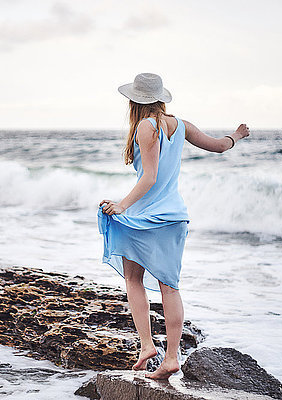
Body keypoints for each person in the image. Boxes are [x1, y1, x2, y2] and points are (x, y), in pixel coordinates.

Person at [97, 72, 250, 380]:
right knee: (170, 287)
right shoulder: (180, 125)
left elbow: (149, 176)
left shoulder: (145, 126)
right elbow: (220, 146)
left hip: (145, 218)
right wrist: (237, 135)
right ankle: (170, 358)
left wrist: (122, 205)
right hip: (175, 217)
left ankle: (146, 345)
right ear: (160, 98)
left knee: (132, 278)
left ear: (134, 101)